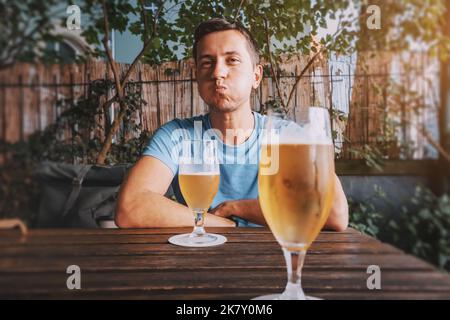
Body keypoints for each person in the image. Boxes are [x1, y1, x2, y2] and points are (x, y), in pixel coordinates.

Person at [115, 18, 349, 231]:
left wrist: (236, 208)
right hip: (201, 259)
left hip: (273, 262)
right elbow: (131, 207)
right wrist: (224, 223)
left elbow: (334, 213)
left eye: (232, 60)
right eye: (207, 63)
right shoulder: (179, 136)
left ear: (256, 76)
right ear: (197, 76)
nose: (218, 72)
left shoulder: (287, 137)